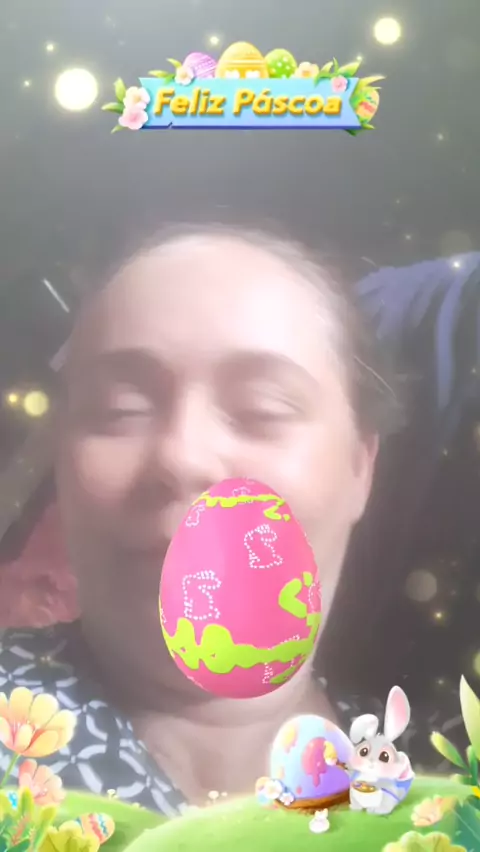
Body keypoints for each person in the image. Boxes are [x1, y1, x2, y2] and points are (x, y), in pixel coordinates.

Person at [0, 224, 449, 814]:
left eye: (262, 409)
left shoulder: (440, 783)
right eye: (120, 409)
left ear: (360, 467)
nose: (181, 456)